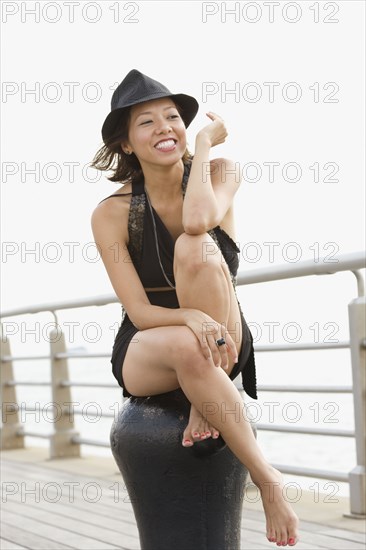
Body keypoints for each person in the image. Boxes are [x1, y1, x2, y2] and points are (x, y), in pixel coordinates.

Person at [90, 69, 299, 546]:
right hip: (152, 342)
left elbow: (198, 219)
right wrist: (187, 316)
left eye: (172, 118)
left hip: (225, 336)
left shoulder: (221, 171)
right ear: (125, 143)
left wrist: (202, 146)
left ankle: (205, 394)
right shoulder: (111, 213)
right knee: (186, 340)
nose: (164, 127)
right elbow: (140, 313)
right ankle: (268, 477)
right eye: (147, 122)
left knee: (194, 247)